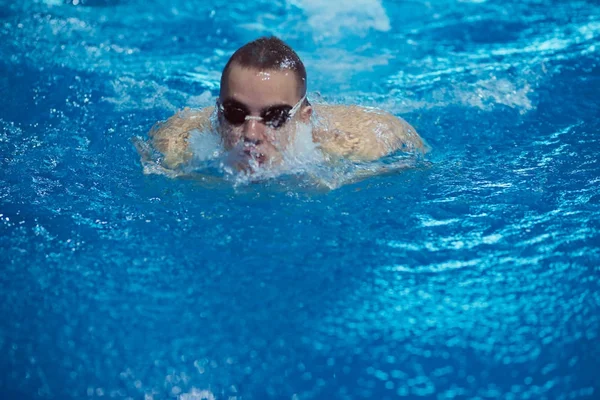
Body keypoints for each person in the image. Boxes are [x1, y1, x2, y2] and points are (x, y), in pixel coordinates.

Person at [146, 36, 427, 173]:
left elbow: (412, 149)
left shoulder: (354, 141)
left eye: (275, 116)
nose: (251, 135)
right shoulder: (176, 142)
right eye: (235, 113)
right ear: (218, 112)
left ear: (304, 117)